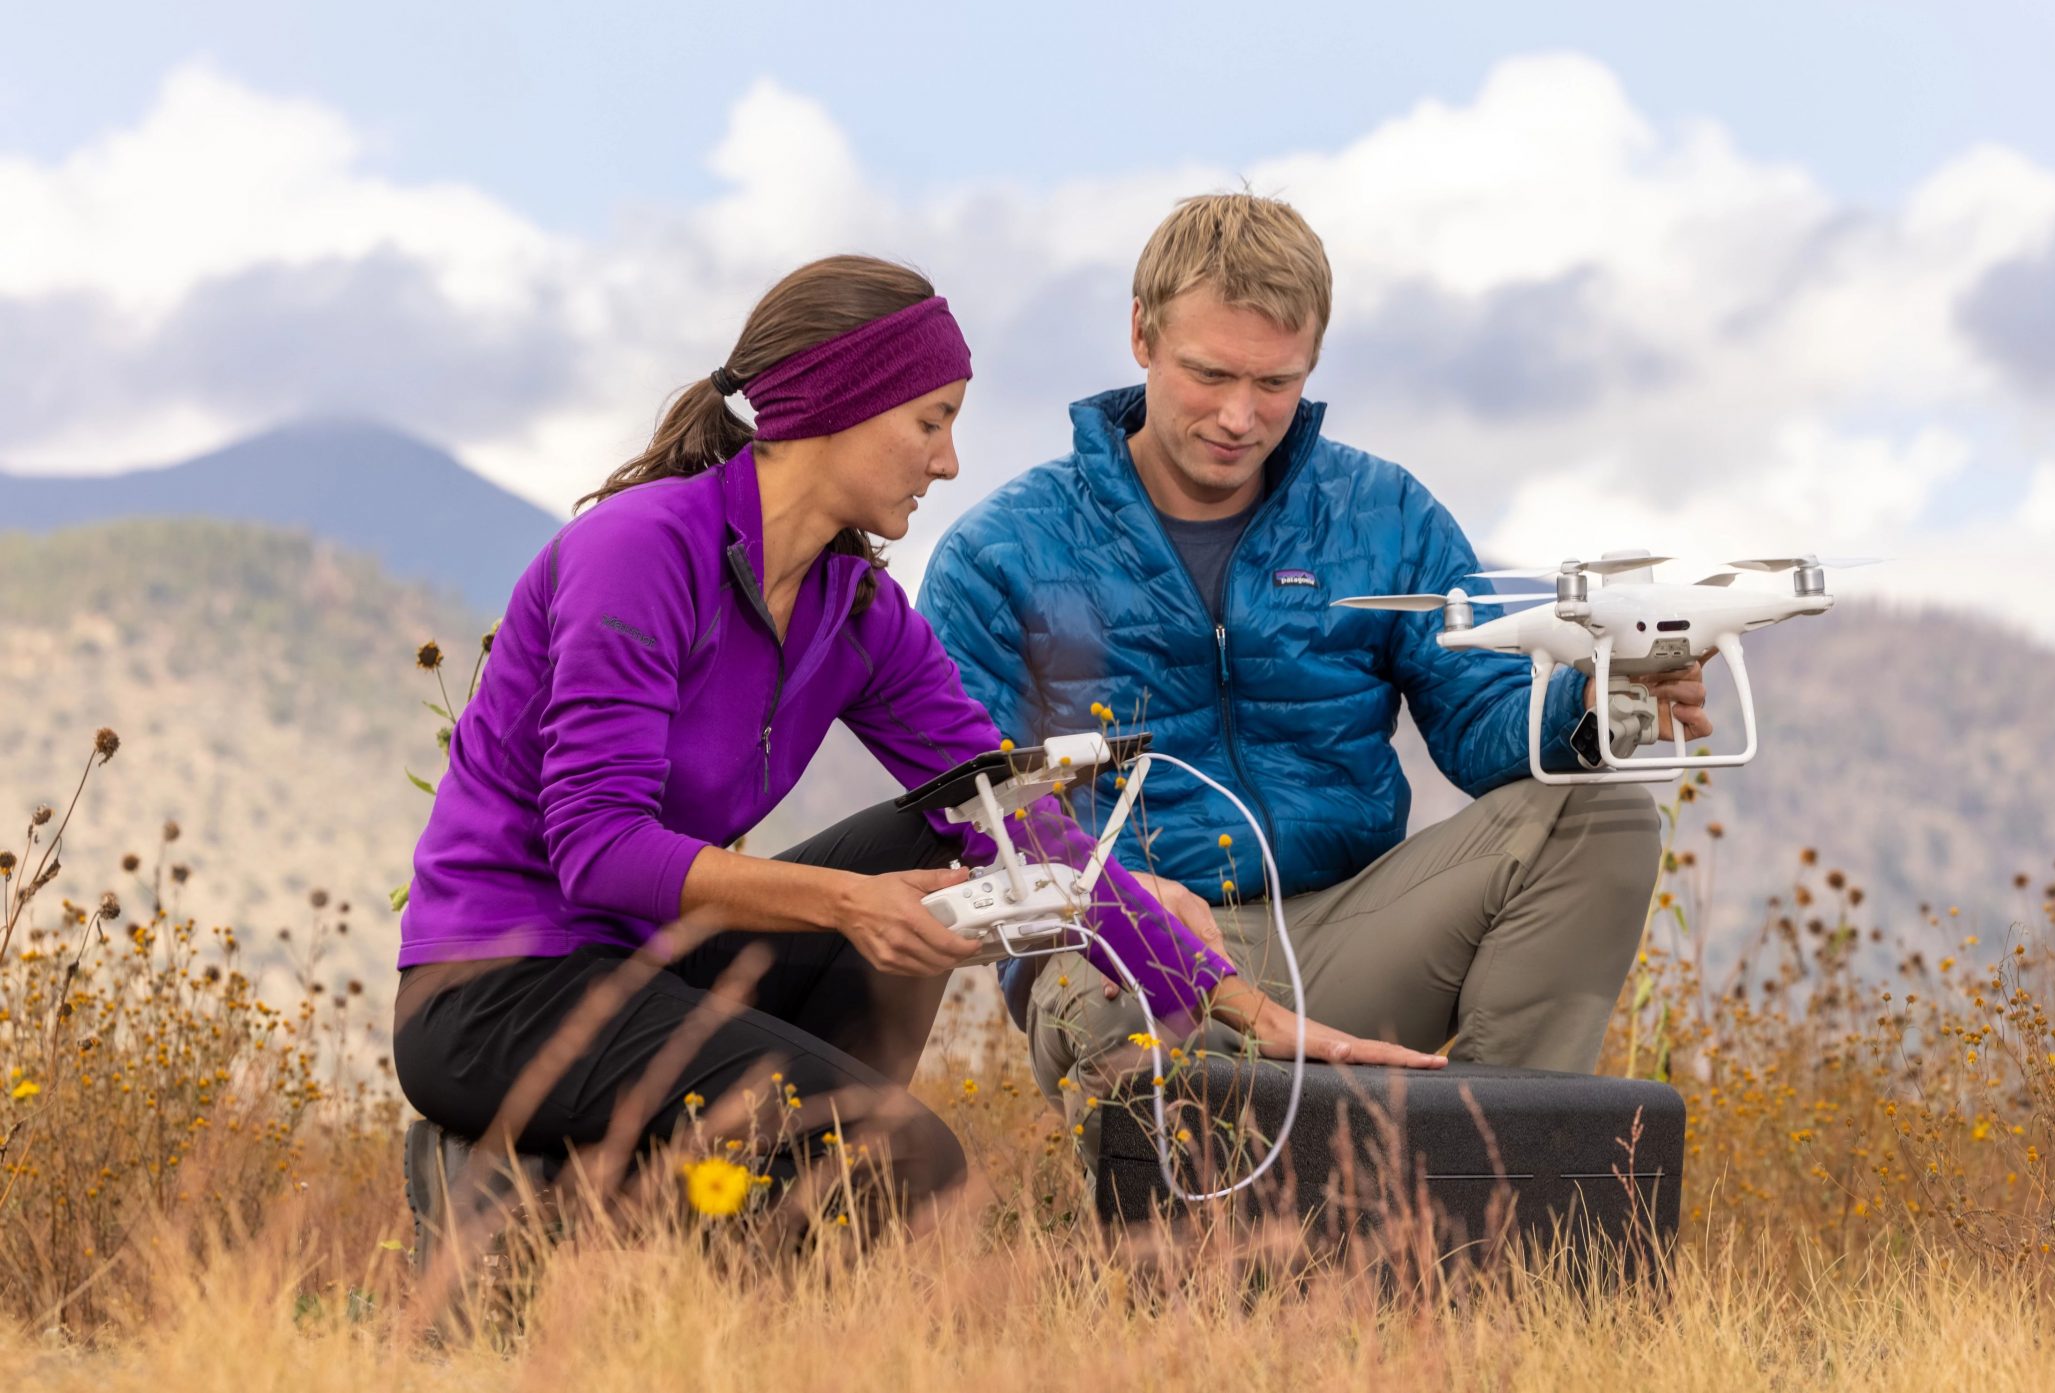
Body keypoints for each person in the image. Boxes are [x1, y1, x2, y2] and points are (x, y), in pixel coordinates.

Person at [390, 255, 1428, 1228]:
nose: (949, 458)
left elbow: (1019, 826)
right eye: (930, 420)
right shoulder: (641, 548)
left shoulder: (855, 610)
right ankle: (523, 1200)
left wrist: (1244, 1005)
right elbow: (598, 846)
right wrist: (844, 902)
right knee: (903, 1156)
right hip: (495, 989)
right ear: (833, 406)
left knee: (934, 835)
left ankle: (667, 1187)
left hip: (656, 976)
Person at [918, 194, 1710, 1154]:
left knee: (1607, 809)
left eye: (1276, 382)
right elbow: (973, 808)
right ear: (1140, 332)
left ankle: (1483, 1180)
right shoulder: (1002, 550)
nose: (1239, 416)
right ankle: (1176, 1245)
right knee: (1098, 985)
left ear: (1314, 362)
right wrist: (1117, 899)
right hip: (1137, 946)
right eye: (1208, 373)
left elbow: (1478, 718)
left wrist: (1595, 701)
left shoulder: (1386, 513)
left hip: (1344, 933)